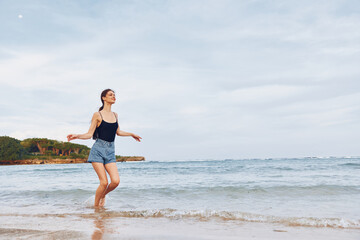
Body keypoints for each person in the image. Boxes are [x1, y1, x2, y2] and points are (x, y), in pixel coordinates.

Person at [67, 89, 142, 208]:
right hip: (98, 150)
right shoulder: (98, 114)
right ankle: (96, 207)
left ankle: (102, 195)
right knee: (104, 182)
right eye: (110, 95)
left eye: (114, 95)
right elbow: (89, 134)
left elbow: (118, 132)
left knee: (116, 181)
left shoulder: (115, 115)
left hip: (111, 151)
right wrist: (77, 136)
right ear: (104, 98)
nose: (114, 97)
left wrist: (131, 134)